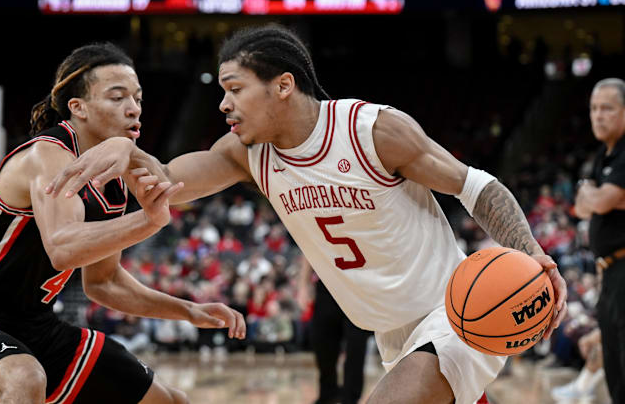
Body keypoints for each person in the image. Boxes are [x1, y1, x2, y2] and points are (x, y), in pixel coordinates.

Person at [47, 25, 567, 404]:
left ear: (283, 85)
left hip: (453, 312)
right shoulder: (246, 154)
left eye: (234, 89)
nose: (224, 105)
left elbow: (479, 186)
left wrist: (533, 254)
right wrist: (126, 151)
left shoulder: (372, 131)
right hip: (391, 333)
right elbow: (164, 182)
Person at [0, 43, 245, 404]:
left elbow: (104, 282)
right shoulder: (47, 153)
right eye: (118, 97)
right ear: (79, 108)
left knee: (170, 401)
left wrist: (188, 310)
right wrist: (148, 221)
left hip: (37, 328)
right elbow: (63, 247)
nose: (133, 108)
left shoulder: (114, 186)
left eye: (137, 98)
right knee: (24, 377)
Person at [574, 77, 625, 404]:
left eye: (607, 108)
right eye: (594, 108)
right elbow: (581, 206)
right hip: (609, 271)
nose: (598, 115)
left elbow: (602, 201)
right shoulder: (602, 155)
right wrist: (600, 196)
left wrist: (597, 196)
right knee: (615, 367)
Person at [297, 256, 371, 404]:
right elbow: (307, 249)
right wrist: (303, 285)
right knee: (322, 343)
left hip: (359, 287)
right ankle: (327, 393)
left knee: (355, 346)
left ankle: (351, 398)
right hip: (326, 284)